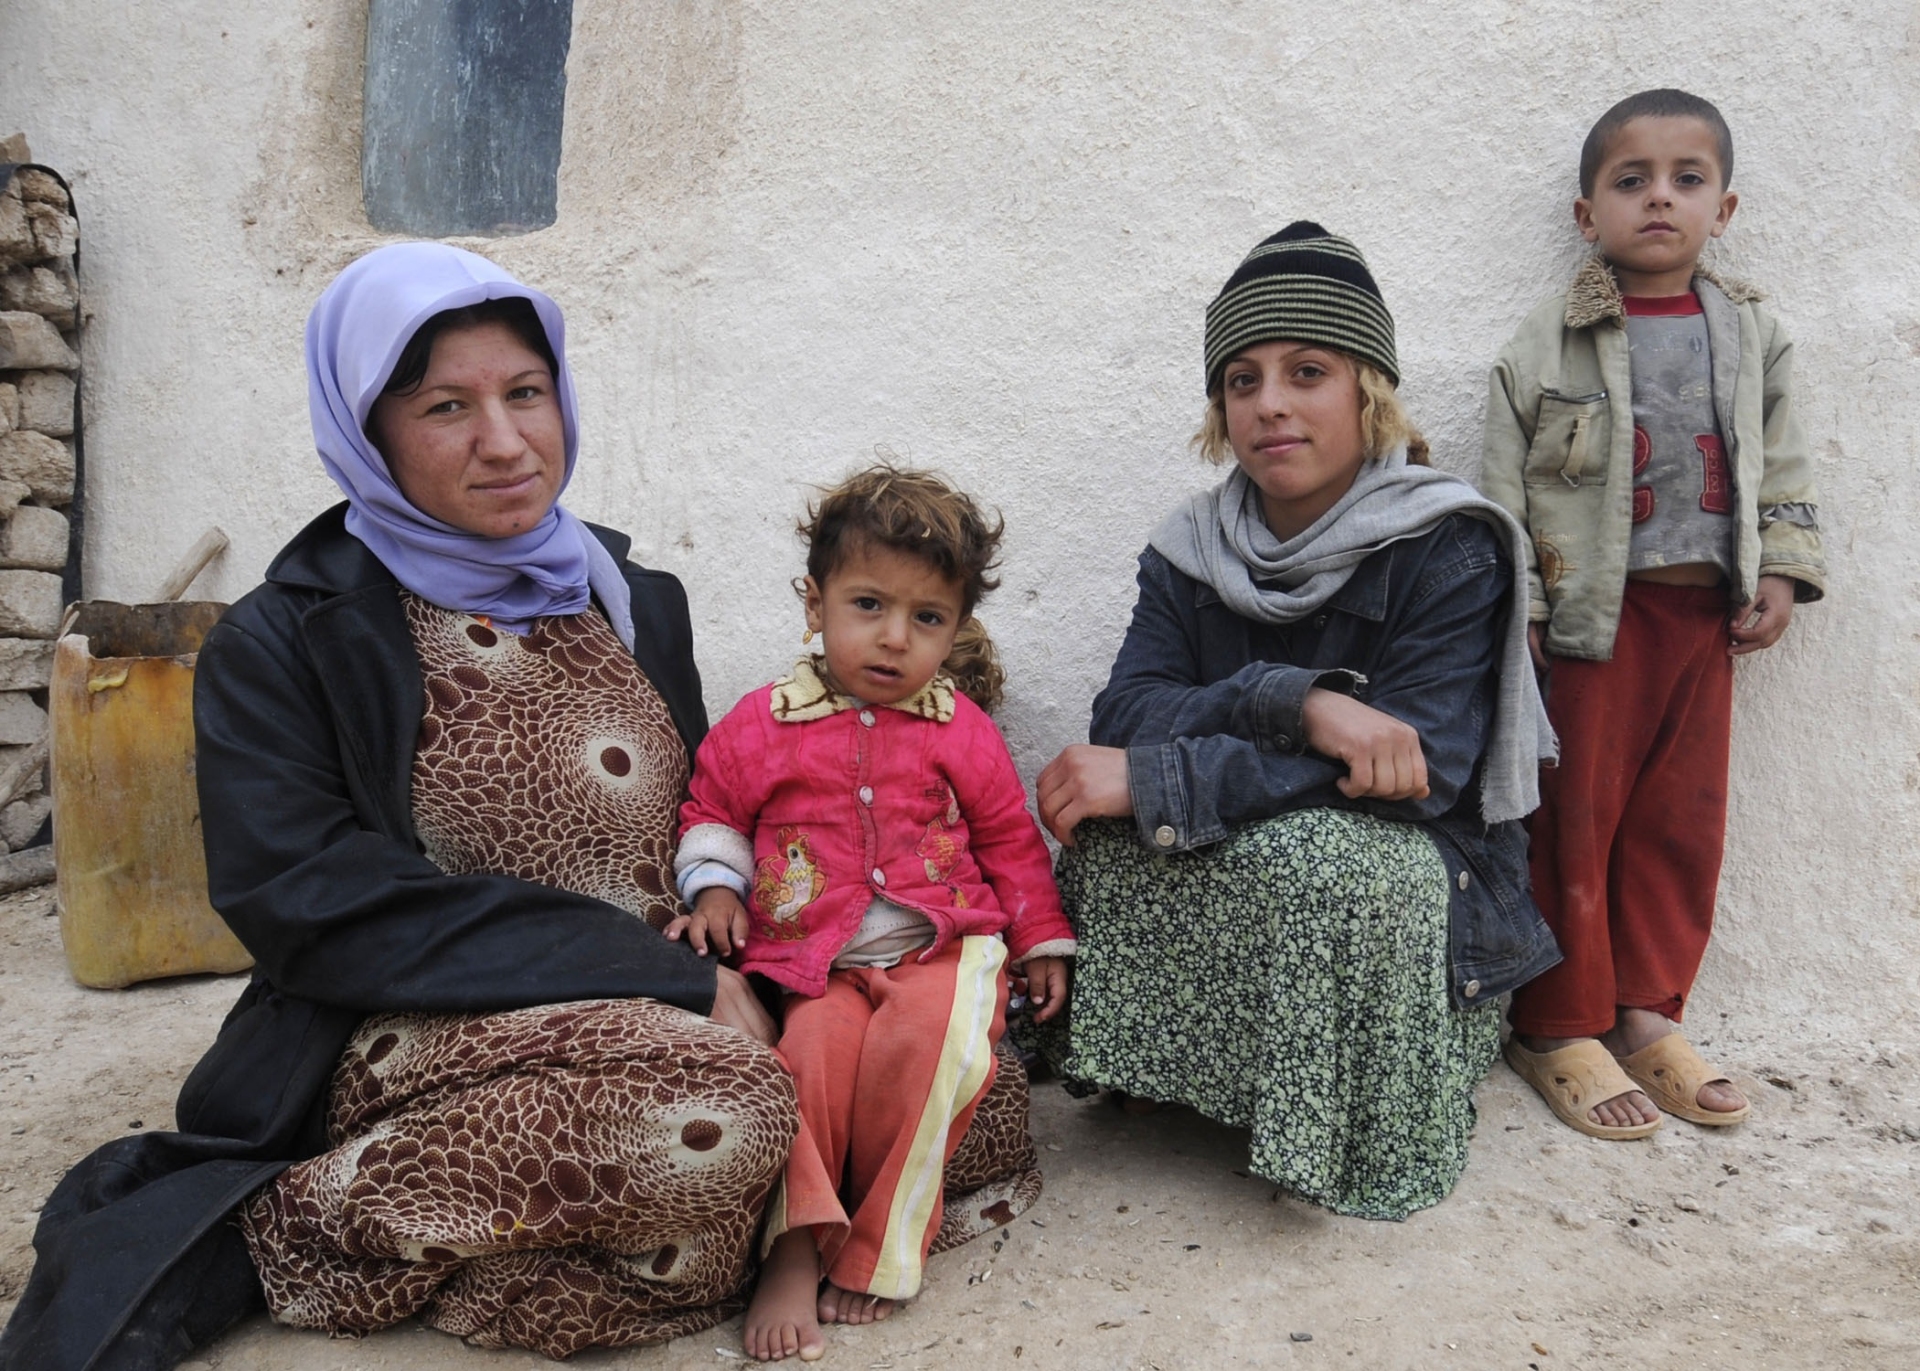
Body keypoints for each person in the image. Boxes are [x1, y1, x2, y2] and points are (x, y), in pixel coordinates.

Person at [0, 245, 1026, 1371]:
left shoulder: (629, 597)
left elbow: (705, 812)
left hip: (673, 999)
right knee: (725, 1110)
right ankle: (294, 1224)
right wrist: (663, 977)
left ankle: (536, 1237)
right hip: (427, 1016)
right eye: (447, 406)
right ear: (369, 429)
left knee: (967, 1086)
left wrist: (772, 937)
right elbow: (307, 903)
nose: (505, 440)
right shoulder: (289, 636)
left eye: (525, 393)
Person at [1036, 222, 1560, 1221]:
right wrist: (1303, 705)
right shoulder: (1192, 546)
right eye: (1240, 379)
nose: (1269, 403)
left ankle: (1353, 1122)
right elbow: (1129, 708)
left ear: (1368, 390)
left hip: (1421, 871)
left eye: (1306, 371)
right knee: (1106, 822)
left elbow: (1423, 771)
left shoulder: (1450, 543)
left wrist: (1170, 775)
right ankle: (1179, 1079)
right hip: (1292, 804)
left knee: (1327, 859)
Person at [1479, 90, 1825, 1139]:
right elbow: (1504, 484)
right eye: (1632, 182)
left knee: (1680, 825)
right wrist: (1522, 605)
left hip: (1703, 627)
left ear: (1724, 208)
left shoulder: (1754, 335)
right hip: (1594, 629)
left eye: (1687, 180)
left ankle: (1646, 1010)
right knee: (1573, 822)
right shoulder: (1553, 339)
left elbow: (1786, 460)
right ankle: (1558, 1021)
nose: (1660, 199)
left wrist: (1786, 568)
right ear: (1590, 215)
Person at [669, 466, 1074, 1361]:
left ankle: (880, 1245)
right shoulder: (760, 723)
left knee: (930, 1052)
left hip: (942, 945)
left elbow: (1009, 838)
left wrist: (1042, 937)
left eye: (927, 618)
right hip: (816, 961)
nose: (895, 638)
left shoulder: (959, 727)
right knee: (808, 1057)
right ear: (814, 604)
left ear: (956, 628)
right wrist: (718, 889)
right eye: (867, 605)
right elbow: (711, 813)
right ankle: (791, 1245)